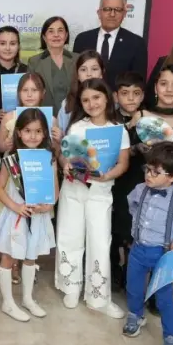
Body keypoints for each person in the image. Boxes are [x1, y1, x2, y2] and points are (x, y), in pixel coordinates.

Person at [56, 78, 129, 317]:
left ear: (107, 97)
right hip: (74, 191)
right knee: (70, 236)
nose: (92, 104)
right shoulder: (77, 127)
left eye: (96, 97)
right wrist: (66, 165)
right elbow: (65, 156)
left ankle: (98, 297)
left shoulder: (118, 130)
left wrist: (108, 175)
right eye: (86, 100)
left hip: (100, 192)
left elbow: (123, 163)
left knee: (99, 242)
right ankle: (71, 287)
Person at [122, 142, 173, 345]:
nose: (149, 175)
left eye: (156, 172)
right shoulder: (139, 190)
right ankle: (136, 315)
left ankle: (171, 335)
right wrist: (138, 227)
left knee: (164, 298)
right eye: (148, 169)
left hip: (162, 255)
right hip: (138, 249)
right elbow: (132, 205)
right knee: (133, 287)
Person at [0, 108, 57, 321]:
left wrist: (47, 206)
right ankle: (8, 302)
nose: (33, 136)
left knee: (31, 257)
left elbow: (54, 190)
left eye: (38, 131)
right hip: (15, 215)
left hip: (37, 217)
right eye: (28, 131)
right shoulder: (12, 158)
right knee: (8, 256)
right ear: (19, 132)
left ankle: (28, 299)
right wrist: (15, 206)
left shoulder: (49, 158)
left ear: (45, 133)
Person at [111, 72, 146, 289]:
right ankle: (114, 268)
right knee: (115, 226)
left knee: (134, 228)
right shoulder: (111, 119)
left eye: (136, 93)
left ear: (143, 96)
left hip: (139, 180)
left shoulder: (149, 120)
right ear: (116, 96)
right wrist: (132, 149)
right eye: (125, 93)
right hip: (115, 181)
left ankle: (130, 271)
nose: (131, 98)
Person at [72, 0, 148, 89]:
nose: (112, 14)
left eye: (118, 10)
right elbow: (75, 77)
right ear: (99, 13)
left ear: (124, 14)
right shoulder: (82, 39)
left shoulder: (136, 43)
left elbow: (138, 82)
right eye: (107, 9)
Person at [27, 16, 77, 109]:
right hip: (46, 115)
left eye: (60, 31)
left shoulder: (78, 59)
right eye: (51, 31)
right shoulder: (34, 62)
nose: (56, 35)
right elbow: (30, 94)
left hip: (74, 115)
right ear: (44, 37)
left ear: (66, 35)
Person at [57, 50, 105, 133]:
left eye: (94, 69)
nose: (89, 74)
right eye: (83, 70)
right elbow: (62, 132)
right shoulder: (67, 103)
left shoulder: (111, 101)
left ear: (102, 73)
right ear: (77, 75)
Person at [0, 26, 28, 116]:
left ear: (18, 47)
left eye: (12, 43)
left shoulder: (27, 71)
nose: (7, 48)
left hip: (22, 121)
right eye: (2, 43)